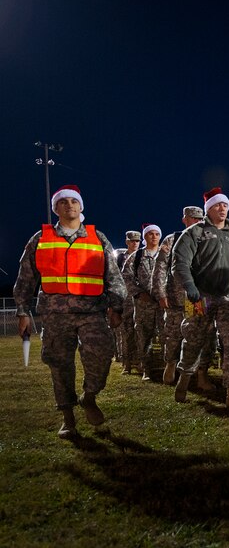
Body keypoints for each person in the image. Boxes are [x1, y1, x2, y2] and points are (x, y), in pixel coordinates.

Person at [14, 185, 126, 438]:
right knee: (59, 365)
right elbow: (26, 277)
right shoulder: (40, 238)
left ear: (81, 206)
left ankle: (89, 396)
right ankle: (68, 416)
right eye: (63, 202)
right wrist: (22, 310)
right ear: (56, 208)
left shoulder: (98, 237)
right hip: (55, 315)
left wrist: (117, 306)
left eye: (73, 201)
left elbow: (113, 276)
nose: (69, 206)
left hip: (92, 312)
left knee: (101, 355)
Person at [172, 187, 229, 411]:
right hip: (200, 297)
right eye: (217, 205)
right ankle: (184, 378)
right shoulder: (194, 232)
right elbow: (180, 263)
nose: (222, 208)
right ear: (208, 209)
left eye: (225, 205)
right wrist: (190, 287)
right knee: (194, 339)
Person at [152, 205, 214, 387]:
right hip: (176, 298)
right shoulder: (172, 240)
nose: (196, 222)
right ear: (184, 220)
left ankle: (202, 374)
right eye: (192, 219)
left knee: (202, 338)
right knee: (172, 335)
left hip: (198, 300)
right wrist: (161, 293)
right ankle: (170, 364)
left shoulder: (208, 239)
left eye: (199, 219)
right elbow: (160, 269)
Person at [122, 223, 163, 381]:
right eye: (150, 234)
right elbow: (126, 277)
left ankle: (168, 368)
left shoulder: (165, 255)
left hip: (163, 304)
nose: (153, 237)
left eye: (156, 234)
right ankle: (147, 369)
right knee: (144, 337)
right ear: (144, 237)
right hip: (143, 305)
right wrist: (139, 294)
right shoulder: (136, 257)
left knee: (167, 336)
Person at [116, 230, 141, 369]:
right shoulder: (121, 258)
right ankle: (126, 361)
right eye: (132, 241)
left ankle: (137, 358)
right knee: (126, 330)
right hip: (125, 298)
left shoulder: (142, 255)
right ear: (127, 242)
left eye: (137, 241)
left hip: (139, 298)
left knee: (139, 330)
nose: (135, 243)